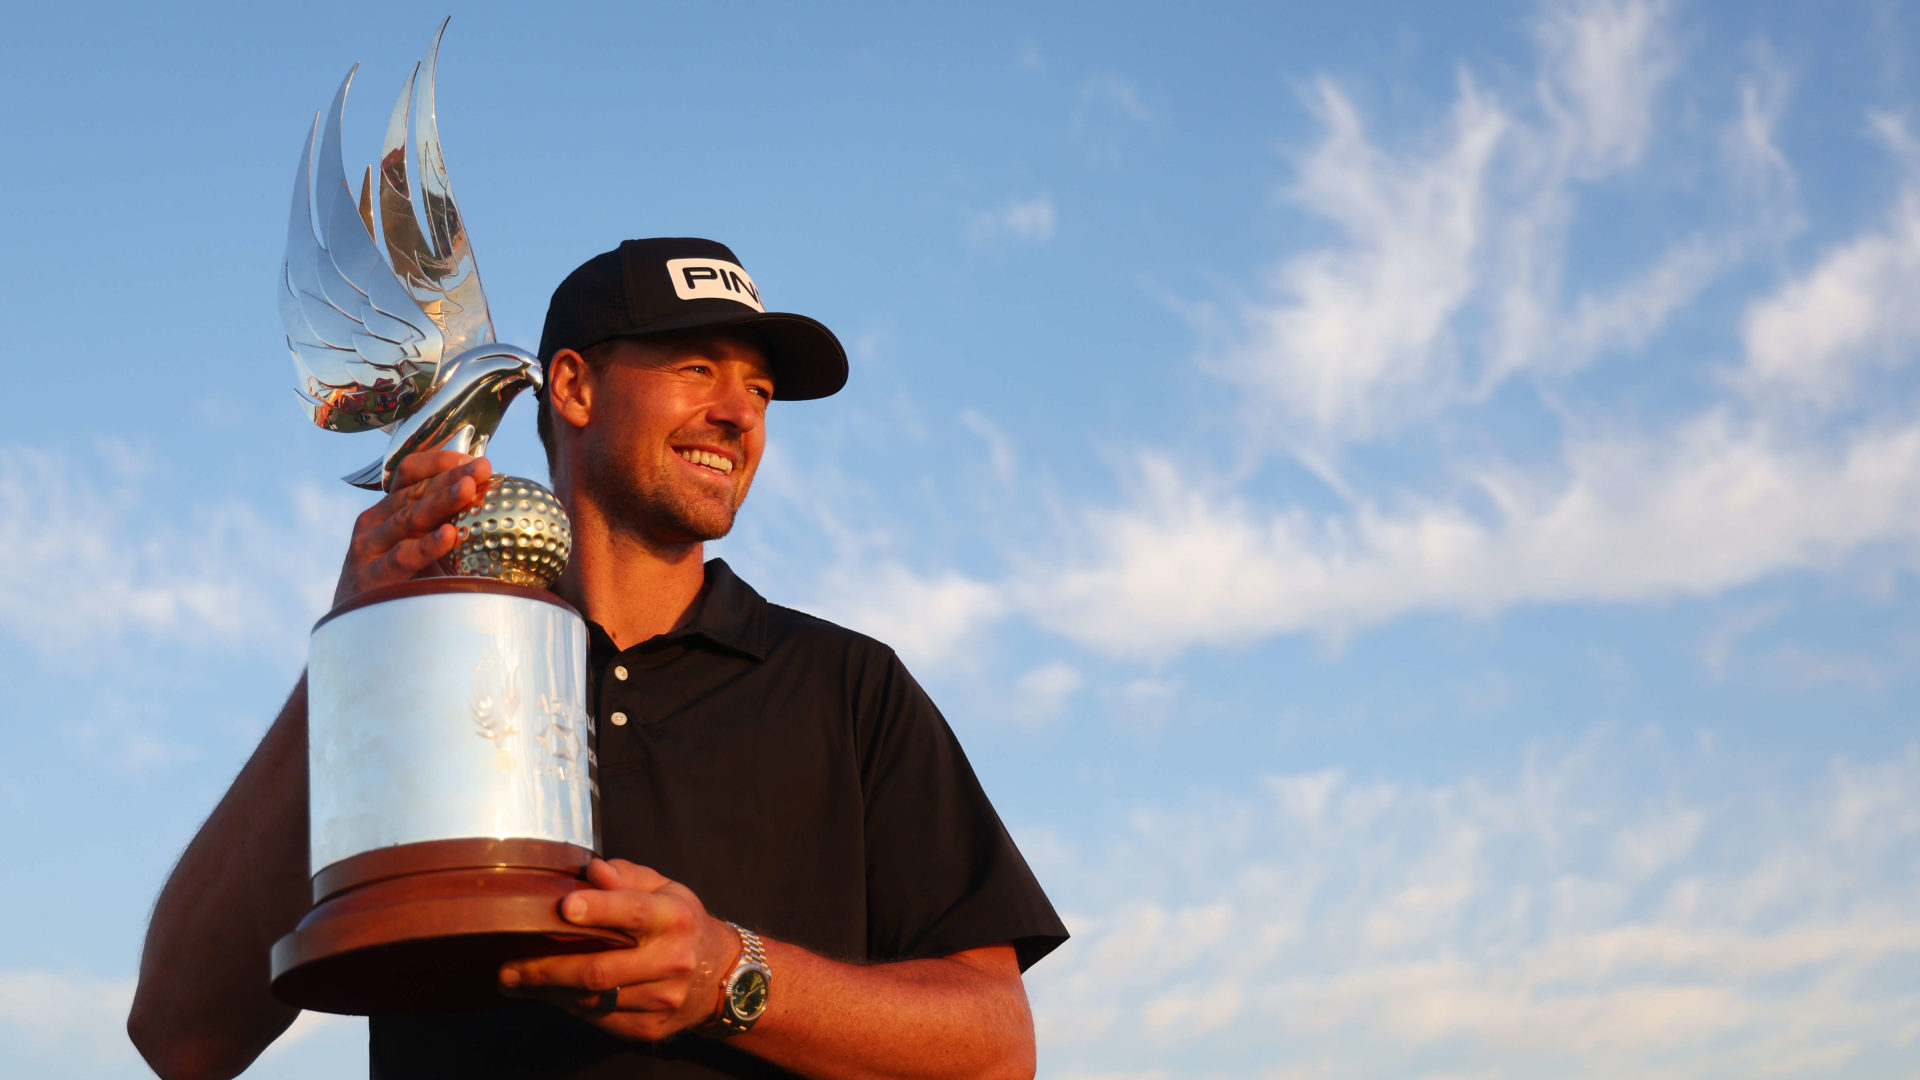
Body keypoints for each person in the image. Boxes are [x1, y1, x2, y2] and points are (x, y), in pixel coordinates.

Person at [128, 238, 1067, 1080]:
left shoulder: (849, 685)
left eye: (761, 390)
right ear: (573, 388)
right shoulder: (432, 678)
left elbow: (995, 1046)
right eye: (699, 367)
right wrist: (362, 647)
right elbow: (180, 1035)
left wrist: (727, 977)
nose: (740, 414)